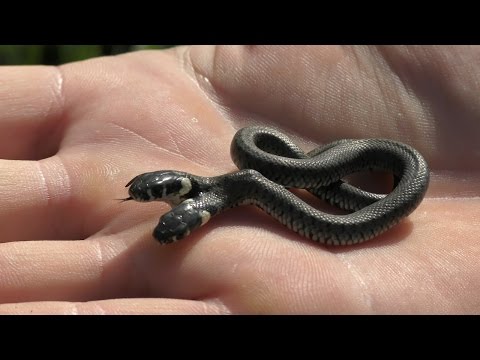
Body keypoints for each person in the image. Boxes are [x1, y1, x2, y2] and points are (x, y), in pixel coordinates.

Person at [0, 45, 477, 314]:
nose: (170, 229)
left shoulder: (247, 173)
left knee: (304, 170)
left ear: (189, 200)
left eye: (170, 217)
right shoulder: (242, 179)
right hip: (283, 177)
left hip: (379, 177)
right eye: (174, 223)